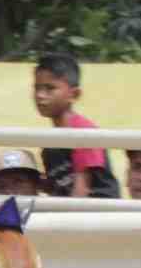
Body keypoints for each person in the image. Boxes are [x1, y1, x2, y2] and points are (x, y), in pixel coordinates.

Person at [32, 53, 120, 198]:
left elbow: (82, 190)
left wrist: (64, 220)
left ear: (74, 95)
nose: (40, 95)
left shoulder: (84, 131)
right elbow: (56, 187)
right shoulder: (48, 146)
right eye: (37, 88)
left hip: (99, 214)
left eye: (50, 88)